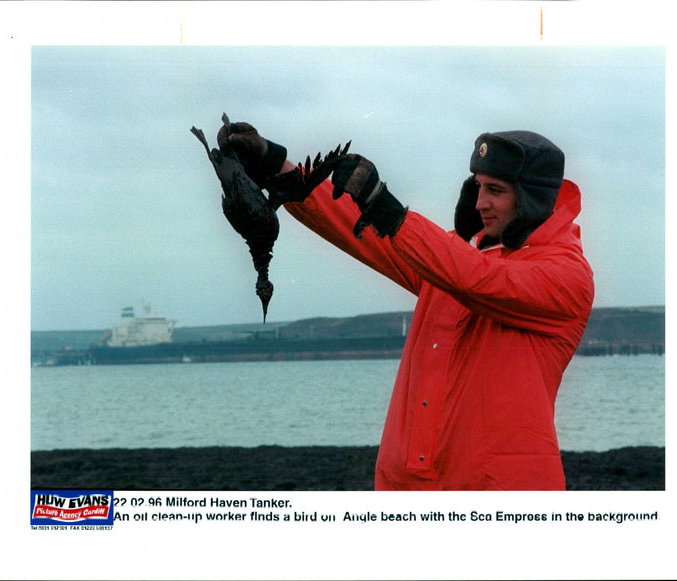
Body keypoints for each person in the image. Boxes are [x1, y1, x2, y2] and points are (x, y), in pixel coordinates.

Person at [218, 121, 595, 490]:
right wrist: (277, 168)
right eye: (476, 187)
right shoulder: (453, 257)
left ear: (532, 198)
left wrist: (387, 210)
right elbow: (362, 228)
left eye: (495, 190)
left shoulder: (566, 276)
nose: (480, 203)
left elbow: (478, 280)